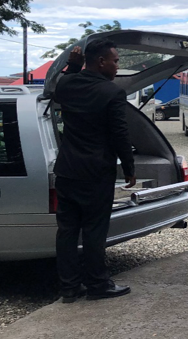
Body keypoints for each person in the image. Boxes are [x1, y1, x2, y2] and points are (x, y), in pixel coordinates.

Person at [54, 42, 136, 302]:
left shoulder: (66, 85)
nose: (117, 66)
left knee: (66, 230)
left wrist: (74, 65)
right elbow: (119, 135)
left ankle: (69, 287)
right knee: (93, 230)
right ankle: (98, 284)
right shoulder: (111, 92)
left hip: (67, 170)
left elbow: (65, 83)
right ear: (101, 61)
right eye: (115, 60)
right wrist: (129, 167)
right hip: (96, 172)